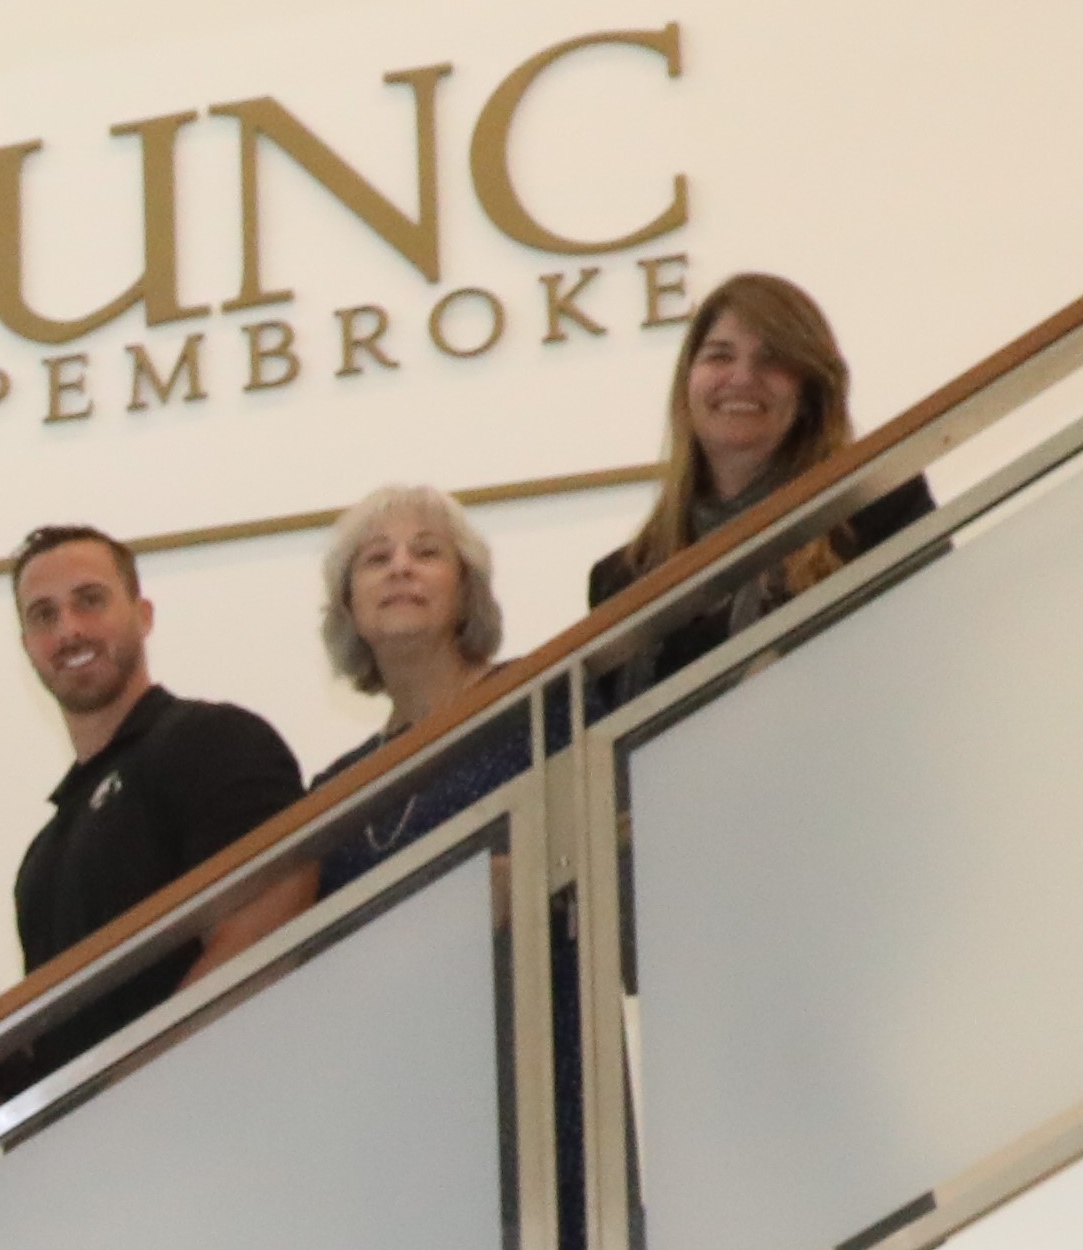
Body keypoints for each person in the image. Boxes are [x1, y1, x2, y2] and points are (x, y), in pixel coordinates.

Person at [4, 524, 307, 1079]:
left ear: (143, 615)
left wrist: (144, 1082)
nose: (68, 629)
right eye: (43, 615)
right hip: (104, 1147)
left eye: (89, 601)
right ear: (27, 647)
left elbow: (271, 915)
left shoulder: (214, 739)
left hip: (228, 1110)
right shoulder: (42, 857)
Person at [590, 274, 929, 697]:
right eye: (719, 356)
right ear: (687, 383)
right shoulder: (622, 580)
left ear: (809, 391)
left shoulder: (876, 510)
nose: (742, 377)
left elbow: (922, 671)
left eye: (771, 360)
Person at [311, 486, 527, 891]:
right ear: (349, 607)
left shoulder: (533, 701)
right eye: (377, 558)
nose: (400, 568)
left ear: (466, 592)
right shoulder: (333, 793)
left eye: (426, 552)